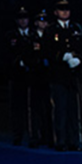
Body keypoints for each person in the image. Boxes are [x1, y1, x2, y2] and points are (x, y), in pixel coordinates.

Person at [49, 0, 82, 151]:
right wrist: (61, 57)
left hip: (73, 75)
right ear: (56, 12)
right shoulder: (51, 30)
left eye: (67, 9)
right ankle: (60, 141)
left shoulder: (76, 28)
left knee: (73, 110)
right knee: (60, 109)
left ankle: (74, 141)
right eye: (62, 9)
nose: (65, 12)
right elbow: (47, 50)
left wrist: (79, 59)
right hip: (59, 74)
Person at [7, 7, 32, 146]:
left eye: (25, 18)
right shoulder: (11, 36)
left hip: (32, 76)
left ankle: (34, 135)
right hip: (16, 76)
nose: (23, 21)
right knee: (17, 108)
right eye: (20, 18)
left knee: (33, 106)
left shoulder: (33, 35)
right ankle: (17, 135)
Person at [28, 10, 53, 148]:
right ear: (36, 23)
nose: (43, 23)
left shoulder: (51, 37)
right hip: (35, 76)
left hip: (48, 76)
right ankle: (35, 136)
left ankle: (48, 136)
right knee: (35, 108)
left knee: (48, 108)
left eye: (45, 21)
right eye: (40, 21)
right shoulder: (31, 38)